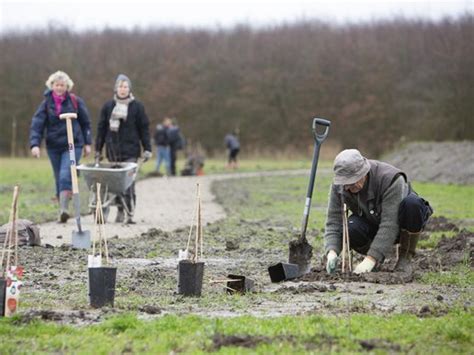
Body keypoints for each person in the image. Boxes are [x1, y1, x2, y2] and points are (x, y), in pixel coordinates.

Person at [324, 149, 433, 275]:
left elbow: (390, 224)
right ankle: (375, 260)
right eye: (345, 183)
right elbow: (333, 221)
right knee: (351, 228)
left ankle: (404, 259)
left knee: (413, 204)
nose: (348, 187)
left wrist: (370, 260)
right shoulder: (339, 185)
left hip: (400, 224)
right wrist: (332, 252)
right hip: (370, 222)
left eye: (353, 181)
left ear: (364, 172)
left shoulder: (390, 179)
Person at [29, 70, 92, 223]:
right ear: (52, 86)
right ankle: (62, 209)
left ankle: (64, 208)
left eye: (62, 85)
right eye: (56, 85)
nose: (59, 88)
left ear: (67, 86)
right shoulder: (46, 103)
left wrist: (88, 143)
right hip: (53, 146)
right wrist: (35, 144)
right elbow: (37, 124)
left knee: (66, 174)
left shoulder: (75, 101)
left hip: (73, 144)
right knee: (59, 177)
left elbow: (86, 123)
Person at [94, 74, 152, 224]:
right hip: (113, 150)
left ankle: (129, 212)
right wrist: (98, 150)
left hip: (131, 150)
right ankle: (120, 208)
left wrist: (147, 148)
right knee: (114, 183)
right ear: (116, 88)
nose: (123, 89)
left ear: (129, 89)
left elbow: (144, 129)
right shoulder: (108, 107)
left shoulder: (137, 107)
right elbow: (101, 129)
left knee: (128, 183)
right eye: (120, 86)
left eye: (125, 86)